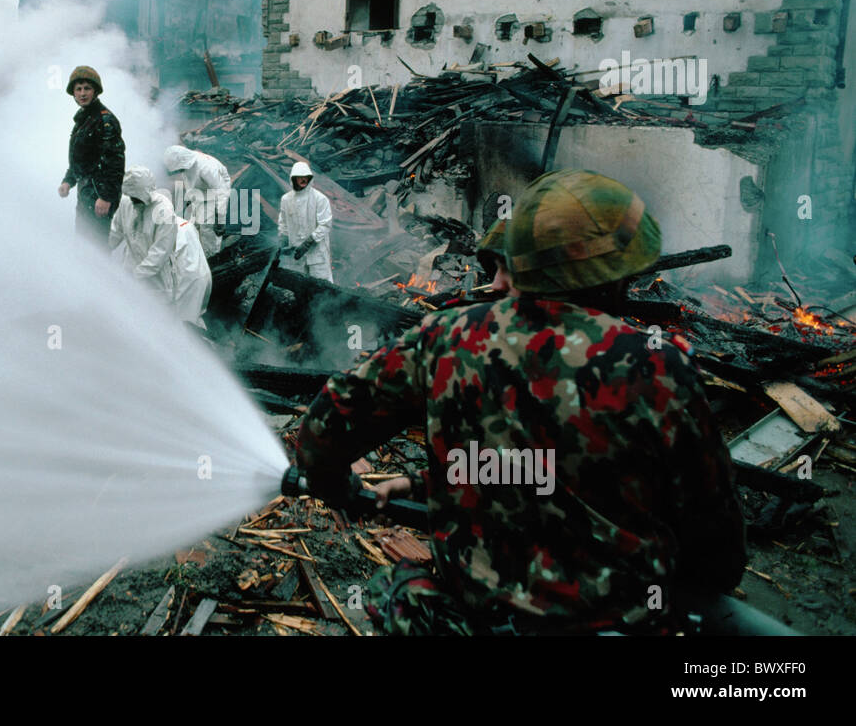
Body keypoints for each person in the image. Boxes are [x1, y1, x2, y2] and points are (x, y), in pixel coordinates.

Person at [294, 169, 746, 635]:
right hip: (616, 624)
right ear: (619, 273)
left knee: (395, 590)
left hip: (477, 622)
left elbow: (322, 434)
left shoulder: (447, 338)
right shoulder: (657, 367)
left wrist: (340, 487)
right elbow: (716, 541)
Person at [109, 166, 212, 328]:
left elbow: (159, 254)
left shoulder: (163, 212)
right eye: (131, 197)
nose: (134, 202)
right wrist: (102, 247)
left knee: (156, 317)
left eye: (137, 198)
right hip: (132, 266)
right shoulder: (125, 203)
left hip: (157, 280)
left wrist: (134, 277)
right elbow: (116, 230)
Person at [58, 66, 124, 246]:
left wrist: (106, 197)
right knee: (83, 243)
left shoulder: (105, 120)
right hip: (86, 193)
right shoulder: (83, 119)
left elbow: (115, 163)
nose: (82, 93)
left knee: (97, 246)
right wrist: (68, 181)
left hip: (99, 196)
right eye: (78, 89)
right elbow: (81, 159)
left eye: (87, 88)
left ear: (95, 91)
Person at [163, 144, 232, 257]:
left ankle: (212, 256)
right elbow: (192, 180)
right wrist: (191, 198)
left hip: (214, 193)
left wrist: (220, 220)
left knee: (207, 229)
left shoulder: (206, 168)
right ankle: (198, 251)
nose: (178, 171)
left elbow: (222, 192)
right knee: (193, 224)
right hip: (202, 192)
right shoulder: (187, 163)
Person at [278, 161, 333, 282]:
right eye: (299, 177)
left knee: (321, 287)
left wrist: (308, 242)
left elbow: (325, 224)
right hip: (296, 254)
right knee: (299, 287)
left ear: (310, 178)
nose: (303, 180)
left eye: (305, 177)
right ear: (293, 179)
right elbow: (283, 223)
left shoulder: (320, 199)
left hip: (317, 253)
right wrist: (283, 240)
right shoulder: (286, 199)